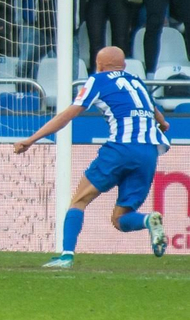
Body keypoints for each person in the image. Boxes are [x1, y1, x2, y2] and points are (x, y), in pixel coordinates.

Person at [13, 46, 170, 268]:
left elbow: (68, 115)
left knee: (79, 200)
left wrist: (32, 139)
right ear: (124, 65)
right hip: (149, 152)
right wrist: (161, 124)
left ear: (99, 65)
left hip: (120, 148)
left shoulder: (97, 80)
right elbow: (160, 118)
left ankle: (66, 256)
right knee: (120, 218)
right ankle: (148, 220)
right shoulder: (137, 82)